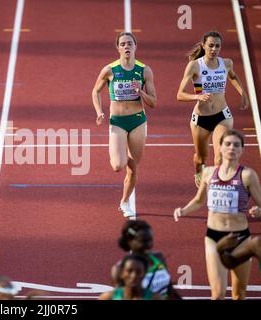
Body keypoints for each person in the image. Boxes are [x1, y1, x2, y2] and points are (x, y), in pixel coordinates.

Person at [174, 130, 261, 299]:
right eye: (227, 144)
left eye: (236, 145)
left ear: (242, 150)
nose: (232, 148)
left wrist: (259, 211)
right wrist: (183, 210)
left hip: (240, 238)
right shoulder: (208, 173)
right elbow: (199, 201)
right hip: (213, 237)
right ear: (220, 147)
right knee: (218, 294)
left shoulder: (247, 175)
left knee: (239, 293)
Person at [92, 32, 157, 217]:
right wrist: (99, 111)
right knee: (118, 165)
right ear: (118, 48)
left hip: (137, 121)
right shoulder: (109, 70)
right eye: (123, 44)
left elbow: (153, 102)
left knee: (133, 168)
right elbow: (95, 91)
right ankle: (119, 150)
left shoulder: (145, 70)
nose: (127, 46)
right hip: (118, 122)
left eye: (130, 43)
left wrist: (141, 92)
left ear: (135, 46)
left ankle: (125, 201)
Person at [176, 30, 249, 188]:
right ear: (203, 45)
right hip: (201, 119)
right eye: (211, 46)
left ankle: (218, 188)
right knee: (201, 158)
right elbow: (179, 94)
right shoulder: (195, 66)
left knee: (219, 158)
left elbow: (233, 76)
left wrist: (242, 93)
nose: (214, 49)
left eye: (217, 46)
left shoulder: (226, 63)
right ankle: (198, 170)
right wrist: (197, 97)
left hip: (222, 115)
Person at [108, 220, 181, 299]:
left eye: (150, 240)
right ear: (130, 241)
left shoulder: (158, 258)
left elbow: (169, 289)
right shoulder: (120, 269)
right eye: (143, 241)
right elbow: (121, 297)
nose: (148, 245)